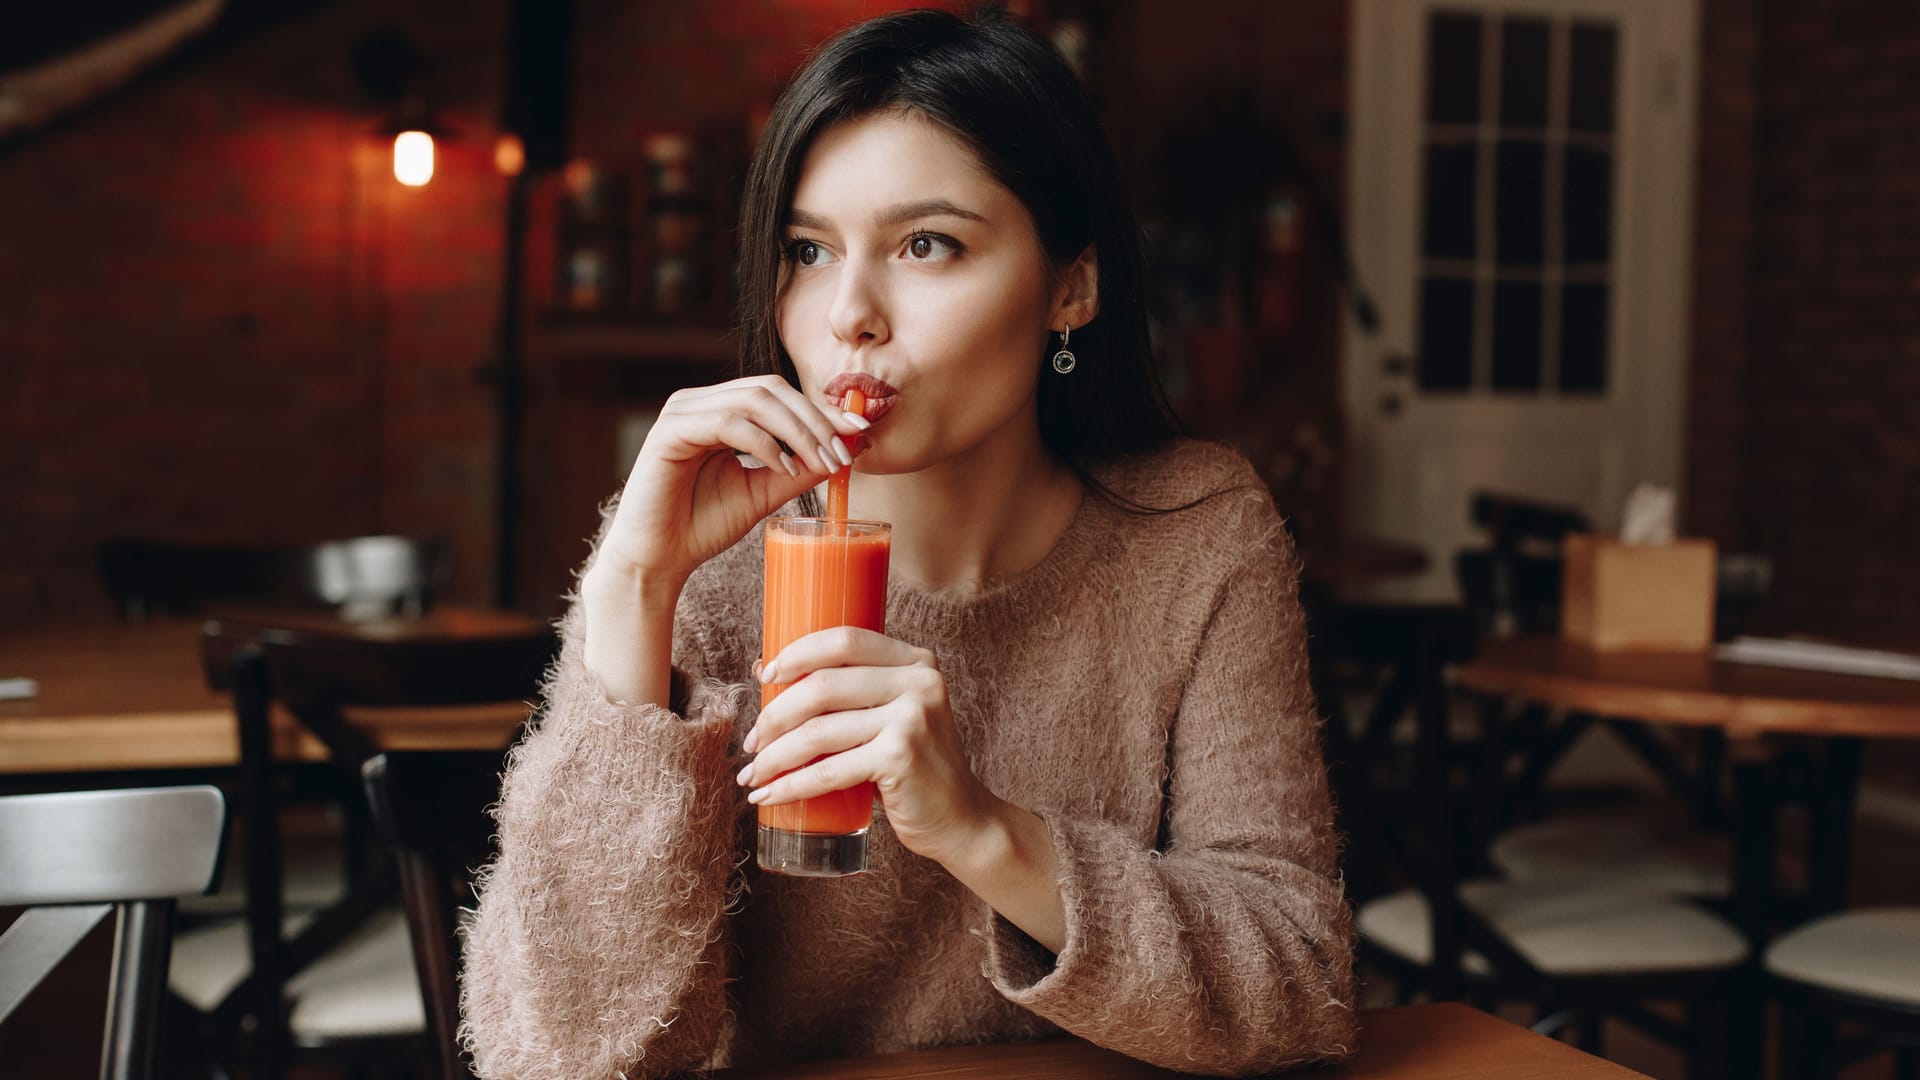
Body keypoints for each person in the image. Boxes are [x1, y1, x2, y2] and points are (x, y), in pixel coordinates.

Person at [460, 9, 1355, 1078]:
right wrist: (635, 590)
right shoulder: (707, 572)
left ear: (1074, 285)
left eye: (926, 244)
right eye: (807, 251)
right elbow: (559, 1058)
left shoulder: (1197, 535)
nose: (850, 314)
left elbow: (1302, 988)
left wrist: (981, 830)